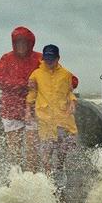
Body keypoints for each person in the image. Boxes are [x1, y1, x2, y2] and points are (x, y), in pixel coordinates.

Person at [0, 26, 78, 171]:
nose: (21, 46)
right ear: (14, 43)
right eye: (18, 42)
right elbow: (0, 81)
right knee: (14, 152)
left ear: (30, 43)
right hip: (11, 109)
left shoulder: (39, 58)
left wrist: (70, 86)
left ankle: (33, 179)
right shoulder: (6, 58)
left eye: (24, 42)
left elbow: (63, 76)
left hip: (34, 111)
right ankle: (17, 180)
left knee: (32, 150)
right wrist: (25, 84)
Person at [26, 44, 78, 175]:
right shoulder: (36, 74)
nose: (49, 62)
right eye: (46, 59)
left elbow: (69, 92)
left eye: (52, 59)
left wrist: (72, 101)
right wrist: (28, 110)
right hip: (44, 116)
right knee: (46, 147)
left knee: (62, 146)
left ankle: (60, 168)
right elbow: (32, 94)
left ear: (58, 58)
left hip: (62, 116)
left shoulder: (66, 74)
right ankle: (48, 175)